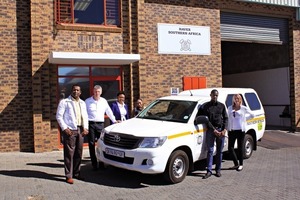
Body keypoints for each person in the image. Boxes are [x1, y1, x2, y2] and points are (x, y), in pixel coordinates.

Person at [56, 84, 89, 184]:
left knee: (78, 153)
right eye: (74, 90)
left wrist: (86, 128)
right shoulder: (65, 102)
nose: (76, 91)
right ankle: (68, 175)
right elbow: (59, 116)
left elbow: (85, 116)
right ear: (71, 91)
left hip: (80, 130)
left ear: (80, 92)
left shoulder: (83, 103)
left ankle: (77, 173)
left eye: (78, 90)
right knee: (69, 154)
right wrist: (64, 128)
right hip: (70, 130)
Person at [85, 85, 118, 170]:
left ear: (101, 92)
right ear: (93, 91)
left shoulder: (104, 101)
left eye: (98, 92)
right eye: (95, 91)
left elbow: (109, 111)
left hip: (100, 124)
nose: (97, 93)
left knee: (101, 144)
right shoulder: (87, 101)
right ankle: (94, 164)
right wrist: (84, 126)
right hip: (90, 124)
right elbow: (84, 114)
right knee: (91, 144)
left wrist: (114, 121)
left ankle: (101, 162)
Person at [197, 89, 228, 179]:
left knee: (219, 151)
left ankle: (218, 170)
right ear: (210, 95)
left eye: (216, 95)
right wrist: (213, 129)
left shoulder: (221, 106)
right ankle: (209, 171)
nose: (215, 97)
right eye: (213, 95)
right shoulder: (205, 106)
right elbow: (205, 119)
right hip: (211, 130)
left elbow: (226, 118)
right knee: (210, 151)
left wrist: (224, 130)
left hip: (221, 130)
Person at [227, 94, 255, 172]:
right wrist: (227, 129)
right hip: (232, 130)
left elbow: (252, 115)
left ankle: (241, 164)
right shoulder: (229, 108)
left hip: (240, 131)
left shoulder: (243, 108)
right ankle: (236, 163)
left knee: (240, 148)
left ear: (240, 99)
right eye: (235, 98)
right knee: (230, 148)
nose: (236, 99)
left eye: (238, 98)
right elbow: (227, 118)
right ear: (233, 99)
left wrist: (244, 119)